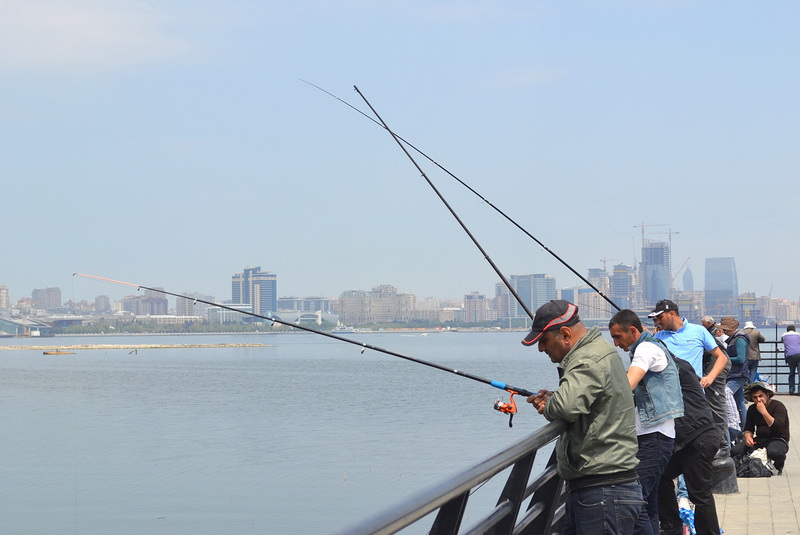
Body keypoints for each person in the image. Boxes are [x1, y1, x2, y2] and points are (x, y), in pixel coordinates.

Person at [523, 300, 643, 535]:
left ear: (565, 334)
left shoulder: (587, 359)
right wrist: (557, 397)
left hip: (603, 490)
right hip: (601, 487)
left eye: (543, 341)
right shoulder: (599, 351)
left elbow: (567, 407)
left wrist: (550, 404)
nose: (541, 349)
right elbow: (584, 400)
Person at [609, 309, 683, 535]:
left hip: (654, 437)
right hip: (655, 435)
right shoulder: (647, 347)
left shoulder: (646, 348)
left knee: (634, 501)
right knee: (649, 502)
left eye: (617, 337)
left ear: (632, 330)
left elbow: (627, 384)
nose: (615, 343)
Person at [650, 300, 730, 452]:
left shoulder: (698, 331)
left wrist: (710, 377)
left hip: (694, 394)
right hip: (668, 396)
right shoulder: (658, 337)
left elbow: (722, 357)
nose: (657, 322)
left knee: (695, 437)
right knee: (672, 439)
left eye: (659, 318)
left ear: (671, 314)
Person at [658, 355, 722, 535]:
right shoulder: (675, 366)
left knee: (700, 494)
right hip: (685, 440)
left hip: (697, 437)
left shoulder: (674, 368)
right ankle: (672, 526)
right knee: (660, 474)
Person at [730, 381, 790, 475]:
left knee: (775, 452)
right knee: (734, 451)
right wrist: (748, 437)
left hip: (778, 439)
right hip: (760, 439)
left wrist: (764, 412)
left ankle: (778, 466)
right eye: (755, 397)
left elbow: (777, 427)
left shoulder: (778, 406)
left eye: (761, 396)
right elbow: (748, 428)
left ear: (767, 395)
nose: (758, 400)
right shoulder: (752, 409)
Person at [720, 316, 749, 430]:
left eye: (725, 329)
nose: (724, 331)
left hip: (738, 374)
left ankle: (739, 429)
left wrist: (724, 358)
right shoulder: (735, 338)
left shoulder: (740, 339)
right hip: (735, 374)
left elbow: (741, 359)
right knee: (740, 402)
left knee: (727, 393)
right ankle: (743, 429)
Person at [782, 326, 800, 394]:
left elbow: (783, 342)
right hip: (799, 353)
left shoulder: (784, 335)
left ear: (787, 330)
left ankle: (791, 389)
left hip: (790, 355)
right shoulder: (798, 334)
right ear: (794, 330)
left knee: (792, 372)